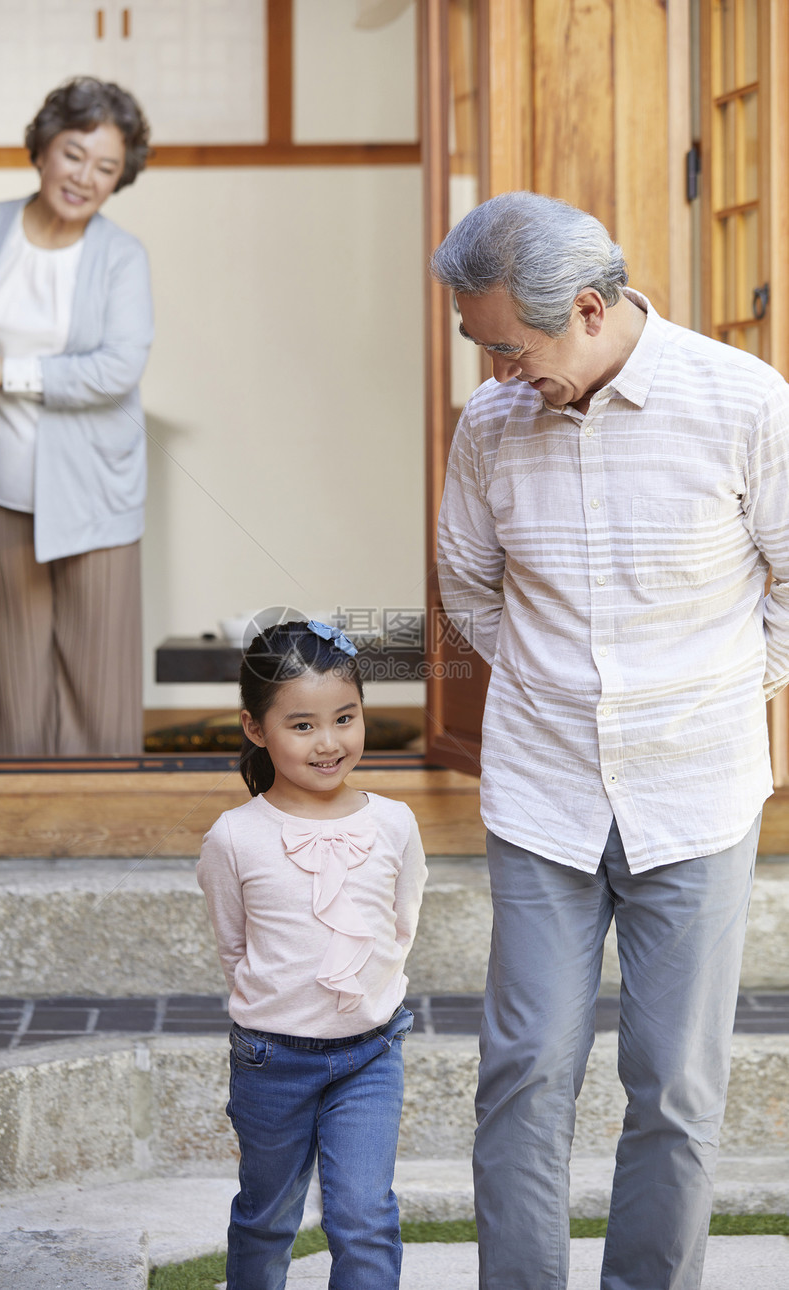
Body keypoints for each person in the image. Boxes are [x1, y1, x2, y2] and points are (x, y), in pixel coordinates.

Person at [431, 190, 789, 1290]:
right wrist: (550, 682)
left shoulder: (739, 400)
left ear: (586, 308)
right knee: (524, 1070)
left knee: (674, 1086)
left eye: (507, 348)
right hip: (543, 792)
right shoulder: (489, 427)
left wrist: (722, 688)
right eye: (477, 347)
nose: (492, 374)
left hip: (694, 791)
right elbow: (466, 585)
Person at [197, 620, 427, 1290]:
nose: (329, 743)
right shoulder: (235, 838)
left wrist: (367, 993)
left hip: (371, 1053)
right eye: (302, 726)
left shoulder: (393, 823)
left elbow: (401, 923)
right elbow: (234, 945)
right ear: (255, 727)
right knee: (268, 1216)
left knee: (364, 1216)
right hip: (273, 1060)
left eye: (345, 719)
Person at [0, 76, 153, 756]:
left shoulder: (120, 256)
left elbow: (116, 369)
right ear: (44, 149)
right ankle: (16, 822)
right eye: (74, 154)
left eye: (106, 167)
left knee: (97, 676)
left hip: (93, 492)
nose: (85, 177)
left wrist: (0, 369)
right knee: (11, 674)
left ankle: (102, 828)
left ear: (119, 179)